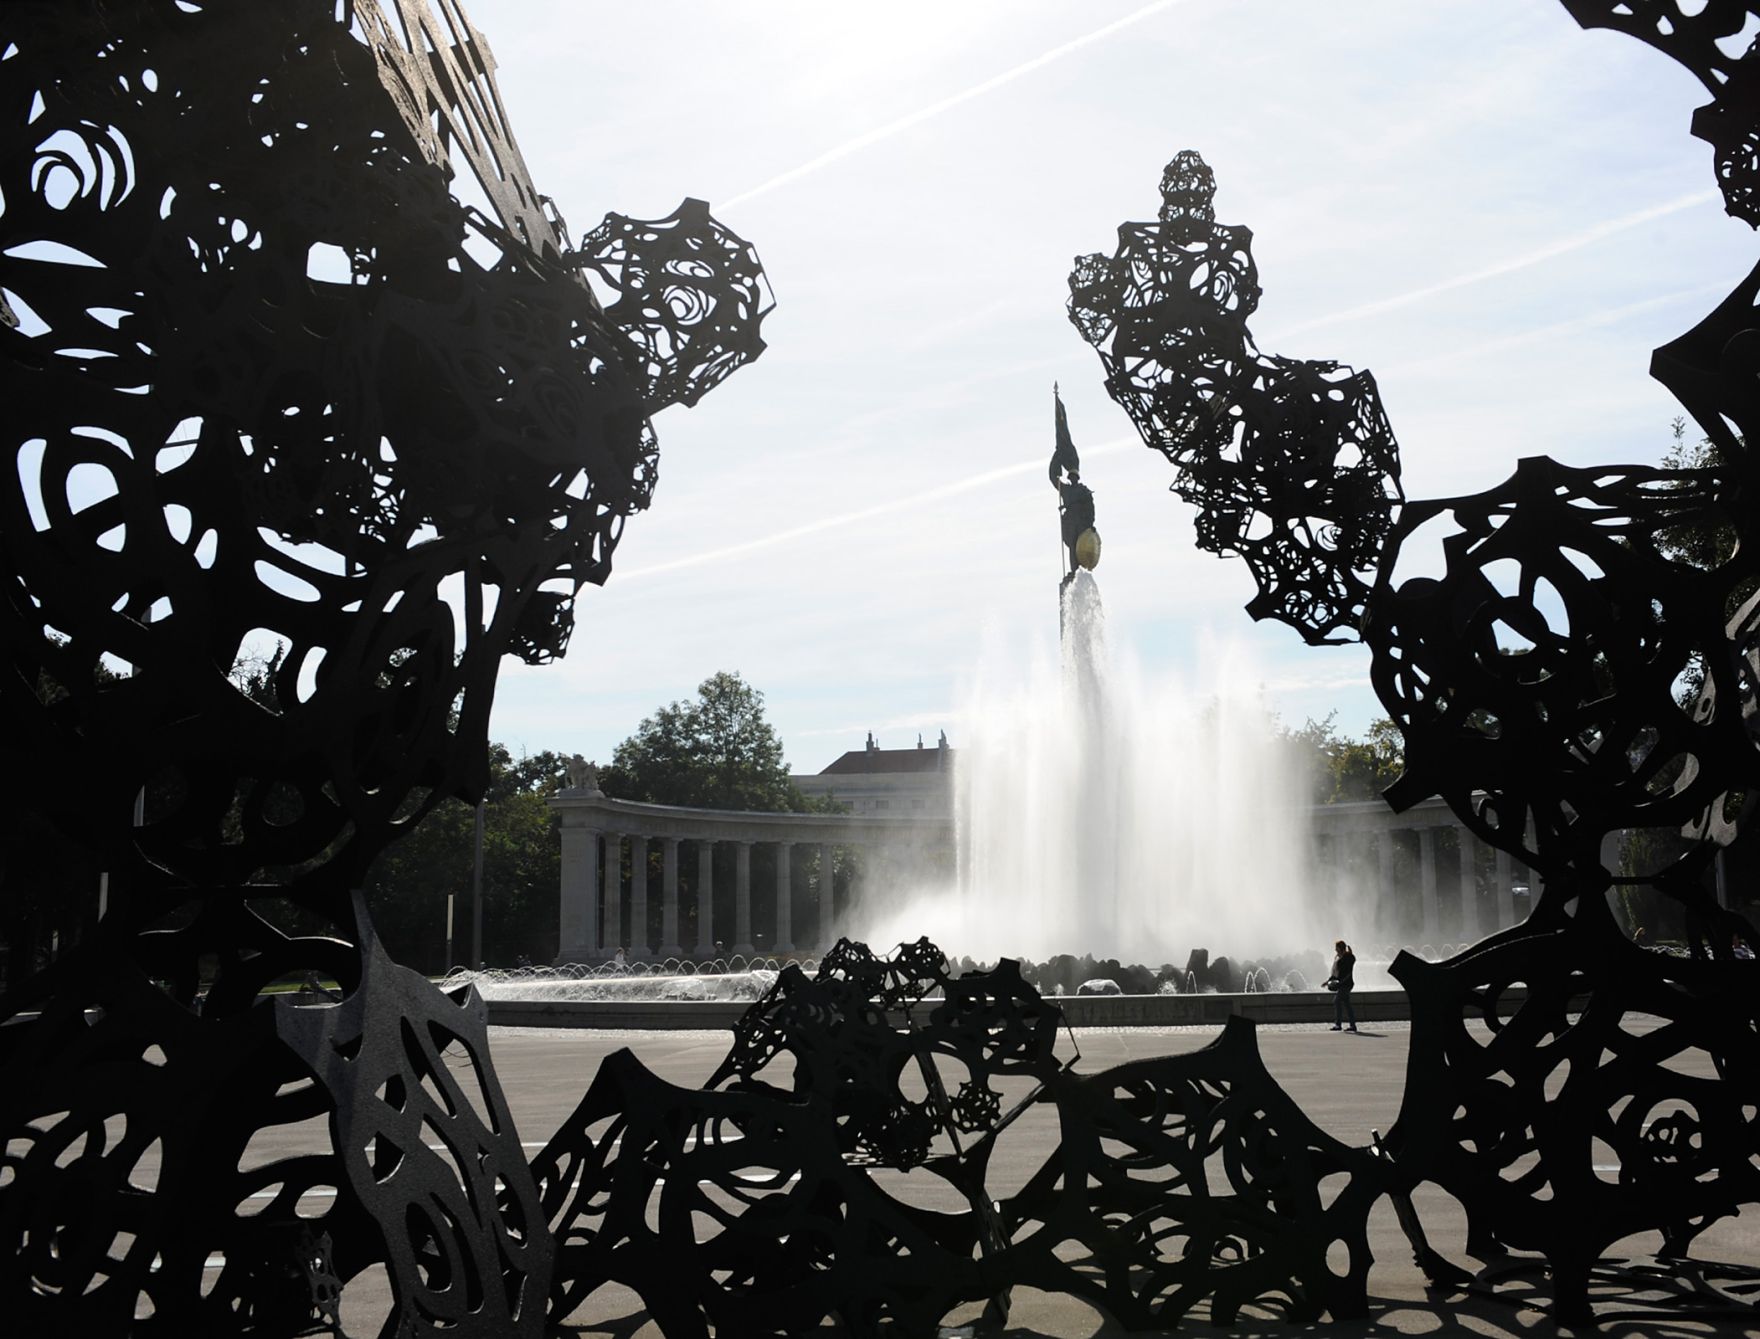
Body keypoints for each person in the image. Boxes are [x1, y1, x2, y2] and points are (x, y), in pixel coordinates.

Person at [1329, 939, 1357, 1032]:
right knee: (1347, 1004)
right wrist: (1329, 981)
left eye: (1336, 948)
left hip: (1346, 984)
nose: (1335, 950)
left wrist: (1350, 953)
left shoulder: (1347, 958)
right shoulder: (1340, 958)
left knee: (1336, 1001)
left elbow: (1348, 969)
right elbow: (1337, 973)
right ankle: (1352, 1025)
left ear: (1340, 948)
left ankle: (1338, 1024)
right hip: (1343, 984)